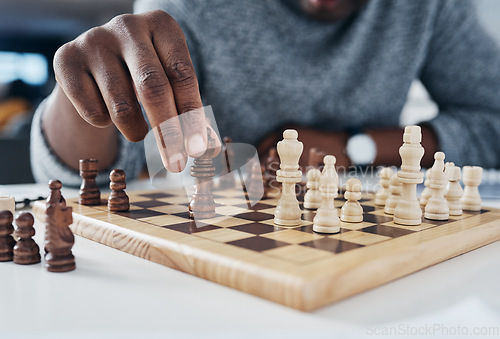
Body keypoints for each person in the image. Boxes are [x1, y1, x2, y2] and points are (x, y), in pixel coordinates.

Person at [31, 0, 500, 186]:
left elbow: (493, 120)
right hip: (217, 254)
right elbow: (105, 169)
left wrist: (357, 146)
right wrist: (82, 91)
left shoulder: (431, 6)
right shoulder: (187, 6)